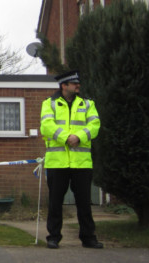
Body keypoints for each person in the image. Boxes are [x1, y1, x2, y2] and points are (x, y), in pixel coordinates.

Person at [40, 69, 103, 249]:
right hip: (57, 163)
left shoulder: (87, 104)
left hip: (81, 163)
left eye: (78, 83)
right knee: (55, 203)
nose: (78, 86)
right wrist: (67, 137)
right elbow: (46, 126)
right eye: (74, 83)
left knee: (84, 203)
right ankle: (53, 237)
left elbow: (95, 125)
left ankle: (88, 238)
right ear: (64, 86)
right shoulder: (49, 104)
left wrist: (79, 137)